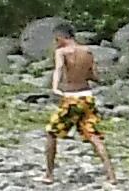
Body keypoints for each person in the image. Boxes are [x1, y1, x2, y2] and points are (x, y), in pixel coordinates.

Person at [42, 25, 110, 180]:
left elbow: (58, 69)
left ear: (60, 37)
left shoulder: (62, 52)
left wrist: (55, 87)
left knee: (51, 132)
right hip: (87, 96)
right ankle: (111, 176)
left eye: (56, 39)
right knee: (93, 135)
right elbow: (94, 75)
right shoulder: (87, 51)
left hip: (72, 98)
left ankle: (49, 175)